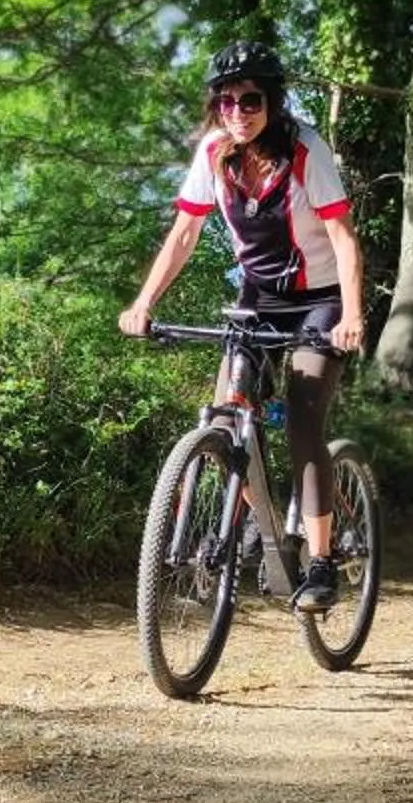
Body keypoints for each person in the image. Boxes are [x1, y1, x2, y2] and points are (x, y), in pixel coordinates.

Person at [118, 42, 366, 615]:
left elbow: (343, 239)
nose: (238, 110)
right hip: (257, 300)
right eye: (226, 100)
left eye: (251, 99)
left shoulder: (305, 149)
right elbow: (184, 234)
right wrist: (144, 302)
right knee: (229, 414)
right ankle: (262, 524)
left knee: (304, 418)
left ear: (272, 102)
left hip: (319, 303)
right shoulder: (212, 152)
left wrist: (351, 316)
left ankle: (323, 564)